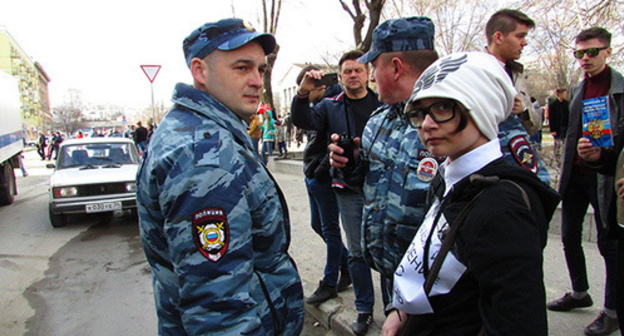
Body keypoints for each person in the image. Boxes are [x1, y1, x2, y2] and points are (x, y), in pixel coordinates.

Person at [136, 18, 304, 335]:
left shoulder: (200, 129)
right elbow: (219, 310)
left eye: (261, 69)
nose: (257, 80)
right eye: (242, 68)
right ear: (200, 71)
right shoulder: (204, 157)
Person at [381, 51, 560, 336]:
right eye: (419, 113)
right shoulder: (448, 177)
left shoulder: (503, 209)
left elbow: (518, 325)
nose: (426, 124)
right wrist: (401, 311)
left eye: (442, 108)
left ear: (481, 107)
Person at [328, 16, 439, 324]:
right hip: (391, 271)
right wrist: (347, 166)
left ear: (395, 67)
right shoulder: (380, 120)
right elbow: (367, 180)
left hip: (438, 286)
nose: (371, 76)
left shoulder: (450, 119)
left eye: (373, 66)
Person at [291, 49, 381, 335]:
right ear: (340, 77)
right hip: (347, 188)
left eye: (358, 70)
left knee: (389, 247)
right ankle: (365, 310)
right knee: (356, 252)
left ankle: (394, 308)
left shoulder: (382, 104)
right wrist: (303, 93)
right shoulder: (330, 106)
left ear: (367, 74)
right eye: (347, 71)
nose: (353, 75)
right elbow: (303, 119)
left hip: (381, 188)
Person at [549, 27, 621, 336]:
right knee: (568, 235)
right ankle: (580, 292)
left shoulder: (619, 89)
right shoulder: (578, 89)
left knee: (611, 246)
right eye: (579, 54)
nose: (585, 59)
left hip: (606, 178)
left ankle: (613, 311)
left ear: (607, 51)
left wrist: (603, 156)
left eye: (592, 52)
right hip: (575, 175)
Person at [295, 65, 351, 306]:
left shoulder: (335, 105)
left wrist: (320, 171)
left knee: (329, 229)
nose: (306, 94)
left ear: (321, 87)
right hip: (313, 175)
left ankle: (330, 282)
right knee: (317, 225)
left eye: (308, 90)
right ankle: (347, 265)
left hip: (323, 177)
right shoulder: (318, 106)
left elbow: (336, 143)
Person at [485, 9, 550, 184]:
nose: (524, 43)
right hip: (490, 169)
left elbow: (534, 127)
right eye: (520, 36)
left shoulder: (517, 74)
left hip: (519, 161)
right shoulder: (475, 71)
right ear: (499, 37)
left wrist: (523, 112)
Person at [548, 88, 569, 162]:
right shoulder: (553, 105)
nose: (566, 95)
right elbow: (551, 118)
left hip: (565, 127)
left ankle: (564, 158)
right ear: (560, 94)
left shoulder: (567, 104)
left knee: (565, 144)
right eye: (564, 93)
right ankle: (557, 159)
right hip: (557, 128)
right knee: (558, 144)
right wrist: (552, 130)